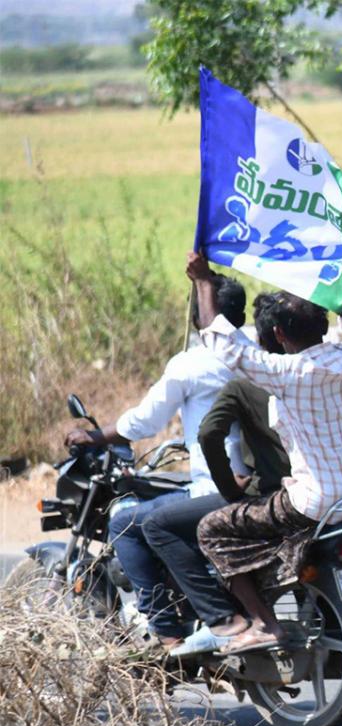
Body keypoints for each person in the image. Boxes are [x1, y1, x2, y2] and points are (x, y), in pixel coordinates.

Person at [186, 251, 342, 654]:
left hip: (315, 501)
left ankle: (263, 623)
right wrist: (332, 289)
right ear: (325, 324)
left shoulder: (286, 374)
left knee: (210, 528)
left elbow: (220, 339)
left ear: (278, 335)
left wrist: (203, 281)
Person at [63, 274, 250, 647]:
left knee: (126, 523)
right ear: (241, 315)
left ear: (199, 315)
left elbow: (145, 421)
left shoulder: (192, 363)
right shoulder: (260, 352)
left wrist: (95, 435)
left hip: (219, 486)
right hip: (265, 483)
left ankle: (167, 632)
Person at [142, 292, 292, 656]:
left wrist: (228, 485)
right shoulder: (322, 370)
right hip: (333, 490)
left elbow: (200, 432)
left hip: (271, 493)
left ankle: (226, 621)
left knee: (160, 526)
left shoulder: (241, 375)